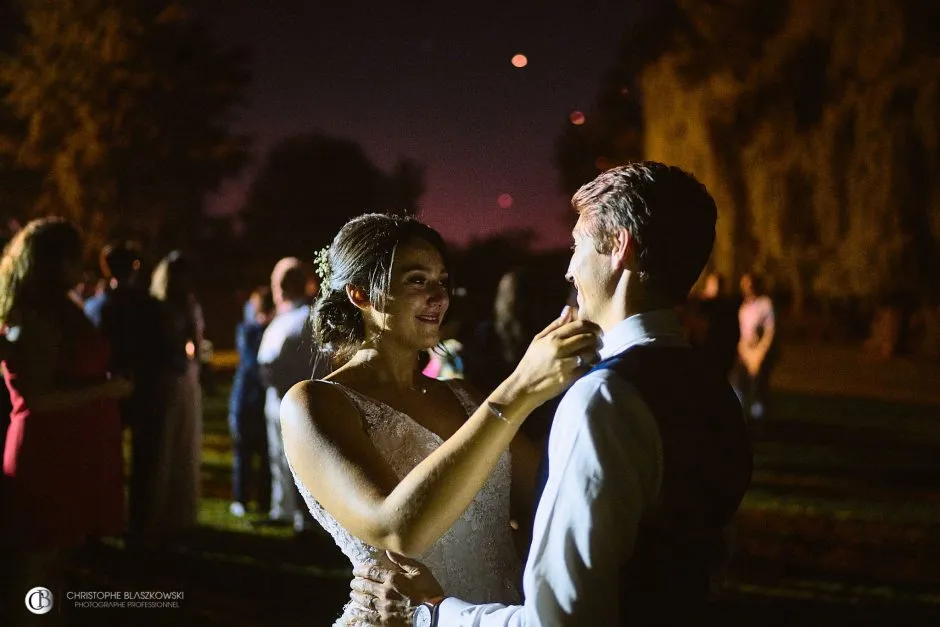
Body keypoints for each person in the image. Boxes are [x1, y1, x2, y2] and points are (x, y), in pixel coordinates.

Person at [352, 163, 754, 626]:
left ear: (620, 247)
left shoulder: (604, 397)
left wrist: (435, 613)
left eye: (577, 245)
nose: (568, 268)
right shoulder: (714, 388)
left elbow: (560, 619)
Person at [279, 213, 600, 625]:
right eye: (417, 280)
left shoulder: (464, 395)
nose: (439, 297)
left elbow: (545, 496)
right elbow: (398, 531)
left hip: (497, 615)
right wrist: (517, 391)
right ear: (360, 293)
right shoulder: (315, 404)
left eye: (442, 281)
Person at [0, 218, 132, 623]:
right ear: (54, 262)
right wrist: (106, 391)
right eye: (76, 258)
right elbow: (34, 399)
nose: (83, 268)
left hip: (69, 451)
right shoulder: (32, 316)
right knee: (36, 564)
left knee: (57, 561)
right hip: (44, 454)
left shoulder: (61, 308)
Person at [85, 240, 174, 545]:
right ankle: (139, 527)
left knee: (102, 461)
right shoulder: (150, 306)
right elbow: (165, 350)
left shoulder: (95, 307)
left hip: (105, 391)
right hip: (144, 391)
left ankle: (98, 526)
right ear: (135, 268)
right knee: (144, 463)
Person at [257, 257, 327, 530]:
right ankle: (283, 508)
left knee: (298, 461)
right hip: (277, 397)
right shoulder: (288, 318)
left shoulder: (304, 318)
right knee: (279, 457)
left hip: (294, 397)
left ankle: (304, 518)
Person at [150, 251, 205, 535]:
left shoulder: (186, 306)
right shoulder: (159, 309)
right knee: (166, 446)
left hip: (185, 379)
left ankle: (179, 511)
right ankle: (160, 512)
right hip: (168, 381)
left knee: (185, 443)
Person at [228, 286, 276, 517]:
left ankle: (263, 502)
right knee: (245, 453)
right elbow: (253, 363)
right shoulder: (249, 331)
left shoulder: (262, 329)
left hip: (258, 399)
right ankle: (242, 499)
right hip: (248, 399)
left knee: (265, 455)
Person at [733, 272, 777, 421]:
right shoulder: (744, 308)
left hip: (760, 353)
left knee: (758, 388)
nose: (747, 287)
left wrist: (760, 354)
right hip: (745, 353)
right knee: (738, 384)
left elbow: (770, 331)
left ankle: (759, 419)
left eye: (749, 283)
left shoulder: (765, 304)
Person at [687, 271, 740, 379]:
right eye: (714, 284)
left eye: (719, 284)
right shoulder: (699, 305)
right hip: (703, 353)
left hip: (720, 354)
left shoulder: (728, 308)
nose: (717, 288)